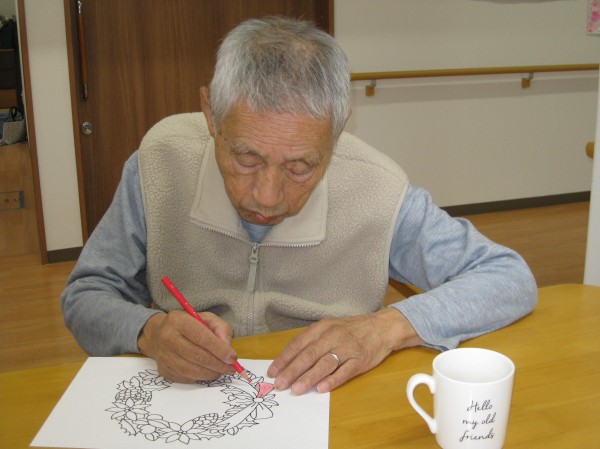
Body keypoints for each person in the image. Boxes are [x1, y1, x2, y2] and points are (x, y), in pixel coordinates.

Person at [61, 17, 537, 396]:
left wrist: (384, 329)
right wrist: (148, 331)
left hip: (332, 400)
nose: (267, 197)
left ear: (337, 132)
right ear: (211, 115)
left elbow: (507, 276)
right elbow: (87, 293)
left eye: (300, 167)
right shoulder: (159, 161)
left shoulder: (379, 187)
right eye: (246, 159)